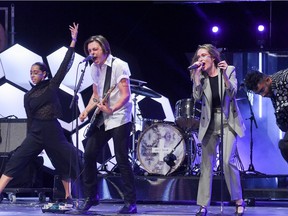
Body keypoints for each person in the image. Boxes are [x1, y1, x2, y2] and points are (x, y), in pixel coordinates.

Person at [0, 22, 79, 204]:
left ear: (44, 74)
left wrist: (73, 42)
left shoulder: (51, 86)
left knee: (63, 160)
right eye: (31, 73)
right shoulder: (28, 95)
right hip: (36, 131)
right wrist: (30, 136)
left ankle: (68, 196)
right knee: (17, 159)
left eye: (36, 72)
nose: (33, 75)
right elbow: (29, 118)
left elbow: (65, 66)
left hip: (52, 130)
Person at [78, 35, 137, 214]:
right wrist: (86, 110)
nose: (92, 53)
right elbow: (96, 95)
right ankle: (91, 196)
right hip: (103, 116)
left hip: (119, 117)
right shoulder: (93, 67)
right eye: (89, 50)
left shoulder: (119, 65)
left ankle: (130, 203)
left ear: (105, 49)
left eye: (95, 49)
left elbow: (126, 95)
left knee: (121, 158)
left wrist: (112, 109)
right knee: (88, 154)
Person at [190, 44, 246, 216]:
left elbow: (233, 92)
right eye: (198, 56)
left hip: (228, 120)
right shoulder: (201, 77)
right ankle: (203, 206)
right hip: (209, 122)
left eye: (204, 55)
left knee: (228, 161)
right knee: (206, 165)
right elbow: (197, 98)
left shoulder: (228, 70)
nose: (200, 59)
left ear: (213, 57)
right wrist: (197, 78)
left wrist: (225, 77)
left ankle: (238, 201)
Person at [244, 69, 288, 163]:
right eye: (259, 94)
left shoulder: (284, 78)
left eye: (262, 90)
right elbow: (283, 127)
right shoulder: (273, 93)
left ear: (268, 80)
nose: (263, 95)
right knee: (284, 146)